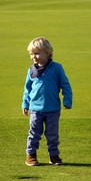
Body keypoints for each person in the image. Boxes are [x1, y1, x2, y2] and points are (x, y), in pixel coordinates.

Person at [21, 37, 73, 166]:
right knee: (34, 134)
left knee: (52, 134)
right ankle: (31, 155)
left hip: (52, 109)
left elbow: (65, 85)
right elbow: (27, 89)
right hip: (35, 109)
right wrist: (25, 104)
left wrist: (67, 100)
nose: (34, 56)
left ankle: (54, 156)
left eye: (37, 53)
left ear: (48, 53)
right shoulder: (31, 70)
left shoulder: (56, 68)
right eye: (31, 54)